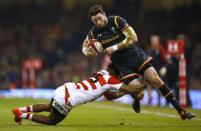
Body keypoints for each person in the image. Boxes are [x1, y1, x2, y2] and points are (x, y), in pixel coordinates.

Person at [82, 5, 194, 120]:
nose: (98, 22)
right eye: (95, 21)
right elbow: (84, 46)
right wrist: (87, 51)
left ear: (104, 14)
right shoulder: (94, 32)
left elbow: (133, 37)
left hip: (135, 56)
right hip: (122, 65)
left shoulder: (116, 20)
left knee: (156, 80)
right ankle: (134, 97)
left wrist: (115, 47)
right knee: (140, 94)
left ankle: (181, 112)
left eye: (99, 18)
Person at [12, 64, 145, 125]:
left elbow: (109, 96)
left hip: (65, 88)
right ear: (116, 74)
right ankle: (21, 115)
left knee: (48, 106)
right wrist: (145, 83)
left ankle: (20, 109)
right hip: (68, 98)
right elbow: (132, 90)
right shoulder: (110, 79)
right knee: (51, 120)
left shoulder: (102, 72)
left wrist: (122, 92)